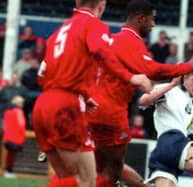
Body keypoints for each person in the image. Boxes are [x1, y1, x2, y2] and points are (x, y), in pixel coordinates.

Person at [87, 0, 193, 186]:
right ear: (140, 18)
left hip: (92, 109)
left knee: (102, 166)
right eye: (152, 20)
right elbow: (153, 70)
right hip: (111, 113)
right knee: (113, 170)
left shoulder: (114, 38)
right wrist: (187, 66)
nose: (153, 25)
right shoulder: (130, 41)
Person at [32, 0, 152, 187]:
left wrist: (84, 97)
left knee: (70, 178)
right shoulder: (94, 25)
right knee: (89, 179)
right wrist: (131, 78)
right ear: (102, 5)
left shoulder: (61, 30)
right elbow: (100, 52)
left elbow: (42, 74)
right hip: (69, 105)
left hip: (43, 104)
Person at [2, 96, 26, 178]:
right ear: (17, 103)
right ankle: (9, 171)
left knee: (9, 155)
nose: (22, 104)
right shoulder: (19, 112)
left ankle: (8, 171)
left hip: (7, 137)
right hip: (16, 137)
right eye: (21, 103)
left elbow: (4, 125)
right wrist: (23, 135)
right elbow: (21, 125)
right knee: (12, 156)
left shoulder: (7, 111)